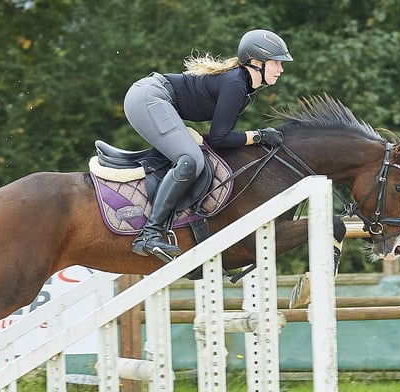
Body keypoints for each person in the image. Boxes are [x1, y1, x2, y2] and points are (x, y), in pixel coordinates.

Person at [124, 29, 293, 263]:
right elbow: (219, 138)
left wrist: (257, 137)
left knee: (192, 155)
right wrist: (260, 136)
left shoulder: (242, 87)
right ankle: (149, 233)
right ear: (256, 62)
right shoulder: (236, 84)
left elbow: (221, 140)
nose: (281, 69)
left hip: (151, 97)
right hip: (150, 98)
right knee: (190, 159)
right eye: (276, 62)